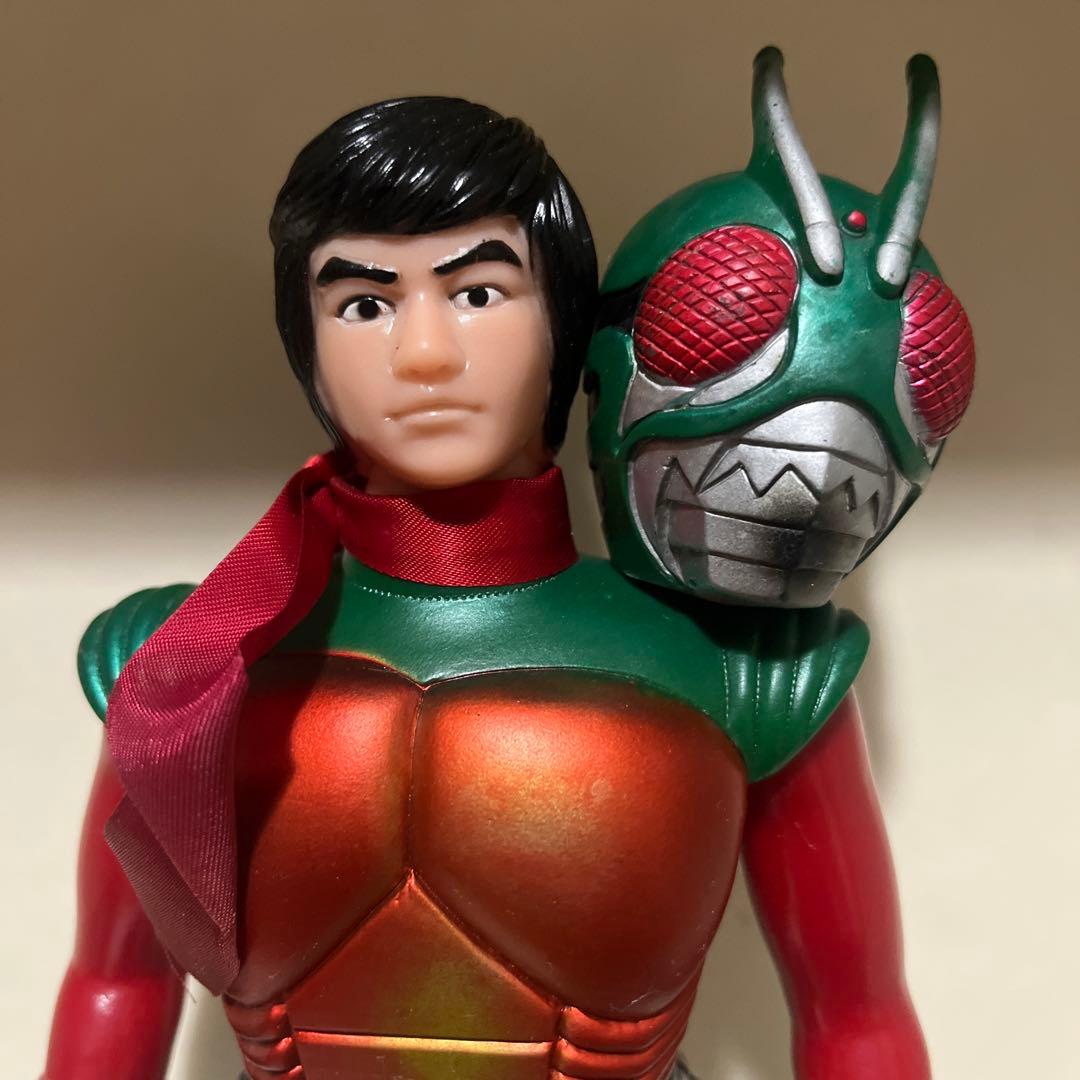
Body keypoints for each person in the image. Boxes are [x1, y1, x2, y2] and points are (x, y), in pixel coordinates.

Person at [43, 93, 930, 1080]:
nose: (425, 355)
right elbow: (115, 983)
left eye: (477, 292)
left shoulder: (745, 668)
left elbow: (857, 1016)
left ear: (565, 324)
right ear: (307, 343)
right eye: (364, 304)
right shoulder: (189, 659)